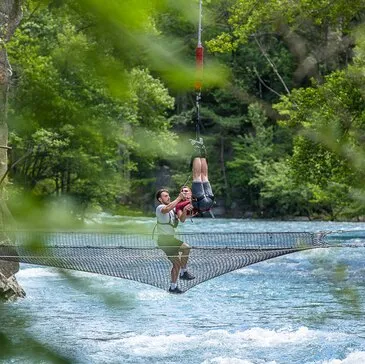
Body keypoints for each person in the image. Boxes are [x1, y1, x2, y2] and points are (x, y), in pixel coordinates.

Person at [155, 189, 195, 294]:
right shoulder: (160, 208)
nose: (168, 197)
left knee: (179, 259)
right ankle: (183, 273)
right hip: (164, 240)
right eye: (165, 196)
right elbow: (167, 209)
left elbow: (182, 219)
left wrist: (185, 210)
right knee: (183, 252)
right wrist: (179, 198)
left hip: (170, 240)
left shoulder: (173, 209)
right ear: (160, 199)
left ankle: (174, 285)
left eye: (168, 195)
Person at [190, 138, 215, 213]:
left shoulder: (202, 209)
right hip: (200, 201)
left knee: (204, 176)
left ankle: (202, 150)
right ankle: (197, 149)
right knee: (197, 176)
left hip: (210, 200)